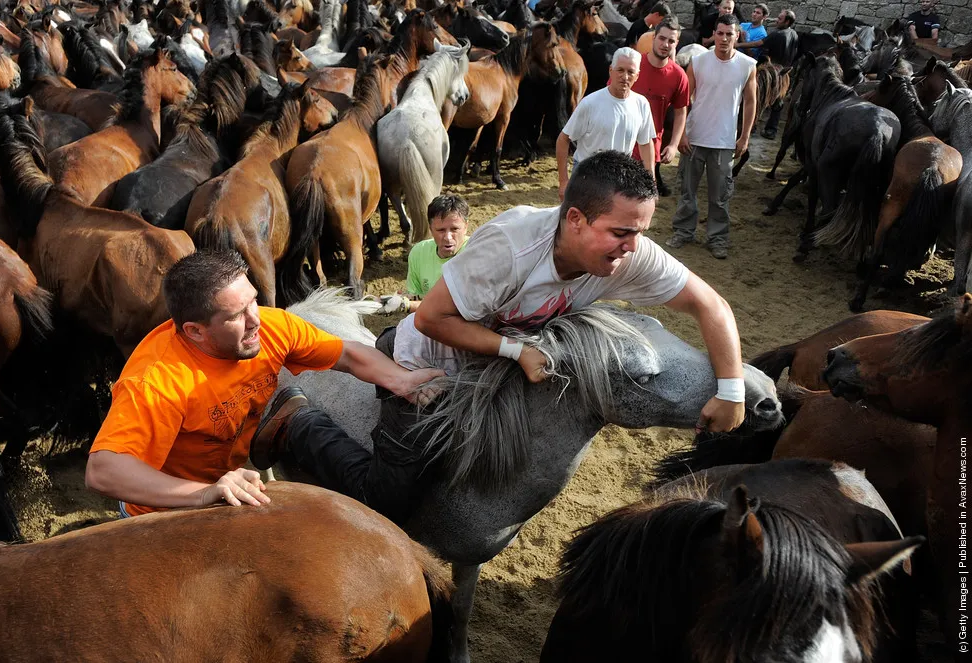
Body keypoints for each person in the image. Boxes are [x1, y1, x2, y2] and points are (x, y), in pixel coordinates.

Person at [251, 151, 747, 524]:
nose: (633, 248)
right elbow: (429, 318)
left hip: (497, 370)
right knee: (389, 502)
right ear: (574, 219)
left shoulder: (628, 254)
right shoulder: (510, 249)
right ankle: (299, 422)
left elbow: (712, 305)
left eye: (639, 232)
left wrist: (730, 388)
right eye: (621, 232)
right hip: (425, 366)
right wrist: (516, 349)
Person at [85, 250, 441, 517]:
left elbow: (347, 354)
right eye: (237, 315)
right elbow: (104, 471)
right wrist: (204, 492)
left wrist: (400, 379)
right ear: (195, 331)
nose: (255, 319)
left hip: (230, 485)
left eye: (253, 300)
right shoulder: (157, 381)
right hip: (164, 512)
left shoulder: (269, 327)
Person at [667, 12, 757, 260]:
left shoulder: (748, 66)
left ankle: (717, 238)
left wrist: (745, 136)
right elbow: (683, 101)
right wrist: (682, 132)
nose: (724, 38)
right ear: (714, 34)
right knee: (687, 190)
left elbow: (750, 102)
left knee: (720, 196)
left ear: (737, 36)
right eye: (720, 33)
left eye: (730, 34)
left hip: (724, 141)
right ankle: (683, 231)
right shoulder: (698, 62)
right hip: (695, 138)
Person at [557, 47, 657, 200]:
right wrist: (563, 182)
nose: (625, 76)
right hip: (587, 176)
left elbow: (645, 143)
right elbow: (563, 140)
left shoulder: (641, 104)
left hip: (620, 179)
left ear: (637, 76)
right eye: (620, 70)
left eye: (630, 72)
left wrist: (651, 182)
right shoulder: (590, 103)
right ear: (611, 71)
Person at [377, 194, 470, 315]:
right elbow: (415, 295)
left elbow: (462, 308)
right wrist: (396, 300)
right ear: (430, 228)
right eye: (441, 230)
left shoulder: (474, 254)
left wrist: (406, 305)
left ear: (466, 227)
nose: (448, 237)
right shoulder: (419, 252)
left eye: (454, 229)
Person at [631, 16, 690, 197]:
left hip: (650, 150)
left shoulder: (679, 76)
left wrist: (673, 145)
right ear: (654, 38)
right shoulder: (633, 65)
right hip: (621, 144)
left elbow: (681, 112)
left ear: (676, 44)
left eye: (671, 41)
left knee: (642, 201)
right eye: (662, 38)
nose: (665, 44)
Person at [756, 9, 798, 139]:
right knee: (778, 103)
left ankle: (752, 126)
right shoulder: (794, 34)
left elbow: (758, 43)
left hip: (772, 74)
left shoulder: (777, 35)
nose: (776, 20)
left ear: (787, 21)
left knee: (760, 98)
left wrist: (738, 43)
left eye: (779, 19)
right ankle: (771, 130)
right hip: (784, 74)